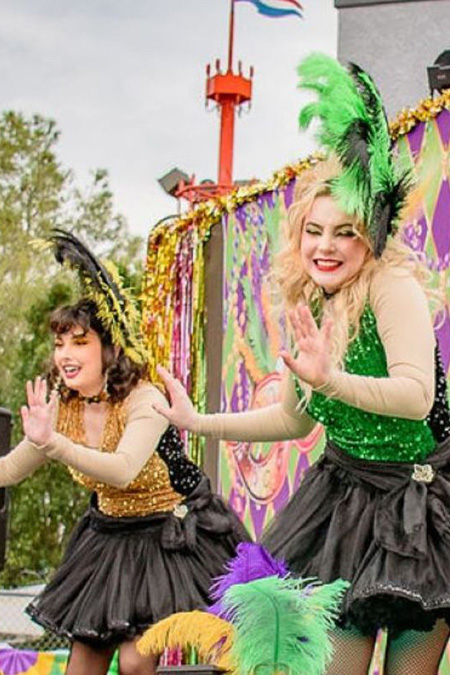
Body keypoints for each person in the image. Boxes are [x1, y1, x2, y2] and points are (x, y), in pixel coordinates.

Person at [152, 55, 450, 675]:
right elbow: (292, 420)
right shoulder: (315, 301)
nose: (325, 246)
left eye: (344, 232)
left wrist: (329, 379)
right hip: (343, 503)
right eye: (314, 231)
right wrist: (196, 420)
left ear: (369, 236)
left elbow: (417, 396)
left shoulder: (390, 288)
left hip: (419, 511)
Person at [0, 232, 249, 675]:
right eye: (59, 344)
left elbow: (122, 469)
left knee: (136, 662)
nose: (65, 355)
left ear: (109, 348)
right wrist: (44, 438)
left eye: (79, 342)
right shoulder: (62, 404)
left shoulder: (144, 399)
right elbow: (10, 469)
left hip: (171, 537)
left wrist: (53, 443)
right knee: (82, 667)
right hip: (107, 539)